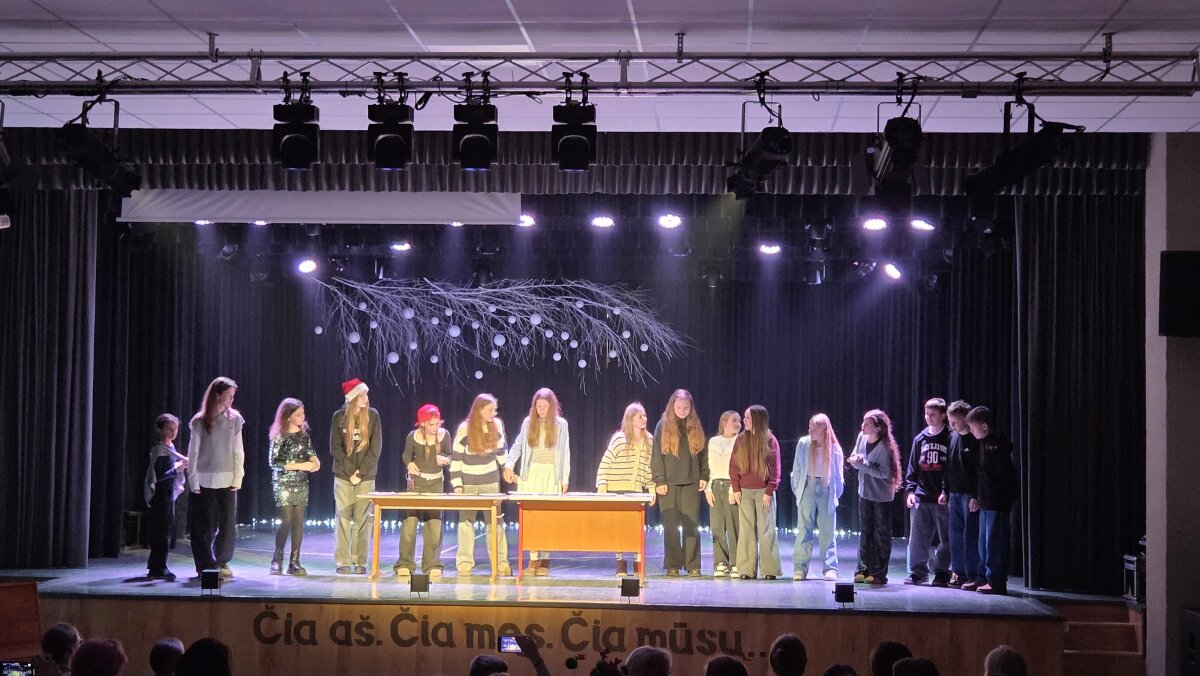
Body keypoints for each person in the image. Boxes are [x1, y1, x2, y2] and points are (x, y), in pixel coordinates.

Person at [504, 387, 571, 576]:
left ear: (552, 407)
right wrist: (509, 465)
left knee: (547, 518)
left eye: (545, 406)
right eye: (538, 406)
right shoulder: (528, 423)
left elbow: (565, 452)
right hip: (532, 473)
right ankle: (533, 560)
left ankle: (545, 560)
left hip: (551, 474)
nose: (541, 410)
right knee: (531, 518)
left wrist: (565, 478)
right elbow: (517, 446)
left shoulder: (561, 425)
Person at [186, 376, 244, 577]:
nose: (231, 399)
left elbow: (238, 451)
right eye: (228, 395)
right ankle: (204, 565)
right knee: (204, 525)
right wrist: (193, 479)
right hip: (204, 479)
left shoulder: (235, 419)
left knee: (227, 524)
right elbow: (193, 452)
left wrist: (238, 476)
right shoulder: (200, 421)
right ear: (217, 395)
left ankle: (221, 561)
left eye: (233, 396)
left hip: (227, 479)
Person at [451, 393, 511, 576]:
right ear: (479, 410)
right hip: (468, 482)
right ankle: (464, 562)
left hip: (490, 481)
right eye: (490, 410)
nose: (494, 413)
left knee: (495, 521)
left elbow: (501, 452)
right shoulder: (465, 428)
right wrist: (457, 483)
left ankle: (500, 562)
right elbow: (457, 458)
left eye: (495, 410)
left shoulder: (497, 424)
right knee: (466, 522)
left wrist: (507, 469)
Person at [651, 388, 709, 576]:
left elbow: (703, 454)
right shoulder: (663, 425)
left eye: (686, 408)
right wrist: (659, 479)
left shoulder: (696, 426)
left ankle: (693, 564)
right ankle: (673, 564)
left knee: (692, 524)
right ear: (672, 406)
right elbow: (656, 455)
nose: (682, 411)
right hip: (669, 483)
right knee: (671, 525)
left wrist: (704, 476)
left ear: (691, 408)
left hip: (691, 481)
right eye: (679, 407)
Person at [596, 402, 656, 576]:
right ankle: (620, 563)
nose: (644, 419)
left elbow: (648, 467)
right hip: (616, 490)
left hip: (635, 491)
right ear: (631, 420)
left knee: (635, 529)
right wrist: (602, 485)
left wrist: (651, 488)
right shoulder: (619, 439)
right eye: (640, 416)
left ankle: (638, 562)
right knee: (619, 528)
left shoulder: (649, 440)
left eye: (645, 415)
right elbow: (605, 462)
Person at [963, 406, 1018, 595]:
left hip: (997, 502)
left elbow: (1005, 475)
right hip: (986, 501)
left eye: (973, 427)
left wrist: (1004, 498)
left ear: (985, 427)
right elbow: (980, 475)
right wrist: (977, 496)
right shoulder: (982, 444)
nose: (971, 431)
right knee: (983, 543)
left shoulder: (996, 445)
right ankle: (983, 577)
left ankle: (996, 581)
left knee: (995, 543)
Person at [330, 378, 382, 575]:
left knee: (363, 519)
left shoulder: (373, 415)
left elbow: (375, 448)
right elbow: (335, 448)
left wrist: (360, 472)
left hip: (365, 476)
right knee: (343, 517)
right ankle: (343, 561)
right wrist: (350, 471)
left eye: (366, 394)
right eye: (361, 395)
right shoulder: (339, 417)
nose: (365, 398)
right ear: (351, 398)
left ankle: (360, 560)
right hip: (344, 476)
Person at [395, 403, 452, 578]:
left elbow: (450, 455)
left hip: (436, 484)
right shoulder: (413, 437)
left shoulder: (444, 435)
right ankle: (405, 563)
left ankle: (432, 564)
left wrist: (446, 460)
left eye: (437, 423)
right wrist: (409, 464)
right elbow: (406, 455)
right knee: (410, 524)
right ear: (423, 424)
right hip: (417, 483)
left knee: (434, 525)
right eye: (431, 424)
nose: (435, 427)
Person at [847, 409, 902, 585]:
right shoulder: (862, 438)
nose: (862, 426)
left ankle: (879, 573)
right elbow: (856, 457)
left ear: (878, 428)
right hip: (865, 492)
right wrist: (855, 460)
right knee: (866, 532)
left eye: (867, 423)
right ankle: (863, 569)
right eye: (863, 422)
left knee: (881, 533)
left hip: (881, 496)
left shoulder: (884, 447)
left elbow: (884, 473)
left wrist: (863, 465)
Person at [267, 397, 320, 576]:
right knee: (286, 519)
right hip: (283, 482)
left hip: (301, 482)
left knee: (298, 520)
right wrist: (301, 465)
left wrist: (315, 461)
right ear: (288, 416)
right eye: (298, 414)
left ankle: (294, 562)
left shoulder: (303, 435)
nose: (302, 417)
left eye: (303, 414)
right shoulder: (279, 436)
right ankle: (277, 559)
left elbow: (310, 453)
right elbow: (274, 463)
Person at [903, 398, 952, 587]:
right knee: (918, 538)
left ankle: (942, 572)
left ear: (943, 415)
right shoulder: (920, 439)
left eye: (933, 414)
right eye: (926, 413)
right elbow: (912, 467)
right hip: (922, 495)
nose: (928, 417)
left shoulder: (949, 437)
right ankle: (918, 572)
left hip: (942, 497)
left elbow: (952, 468)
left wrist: (947, 491)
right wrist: (910, 491)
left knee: (946, 537)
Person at [730, 405, 782, 580]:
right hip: (744, 491)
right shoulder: (741, 439)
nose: (744, 421)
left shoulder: (769, 440)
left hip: (763, 492)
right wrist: (736, 488)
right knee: (746, 530)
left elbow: (775, 468)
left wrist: (770, 490)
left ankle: (769, 570)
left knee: (766, 530)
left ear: (758, 420)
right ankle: (746, 569)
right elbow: (733, 465)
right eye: (744, 417)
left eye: (748, 418)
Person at [791, 412, 845, 581]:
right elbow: (797, 469)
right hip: (808, 485)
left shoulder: (834, 448)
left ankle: (830, 567)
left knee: (827, 530)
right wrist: (798, 490)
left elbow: (838, 477)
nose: (811, 431)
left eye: (814, 429)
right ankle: (800, 567)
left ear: (824, 430)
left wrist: (835, 495)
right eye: (810, 428)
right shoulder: (804, 444)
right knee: (804, 529)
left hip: (826, 488)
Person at [942, 399, 981, 588]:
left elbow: (979, 471)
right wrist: (945, 491)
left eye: (955, 421)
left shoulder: (975, 440)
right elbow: (948, 466)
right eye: (950, 421)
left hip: (968, 495)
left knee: (970, 535)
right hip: (954, 494)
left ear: (966, 419)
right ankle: (958, 572)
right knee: (955, 535)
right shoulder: (952, 437)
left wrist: (976, 495)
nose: (952, 425)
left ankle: (972, 574)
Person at [144, 414, 187, 581]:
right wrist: (176, 469)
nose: (173, 431)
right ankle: (158, 567)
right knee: (161, 532)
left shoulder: (171, 448)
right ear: (160, 429)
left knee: (166, 530)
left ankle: (156, 565)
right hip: (160, 496)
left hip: (168, 495)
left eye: (175, 428)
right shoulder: (160, 450)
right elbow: (157, 477)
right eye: (169, 428)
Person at [706, 410, 741, 578]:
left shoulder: (740, 441)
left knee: (734, 527)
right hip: (715, 486)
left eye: (739, 421)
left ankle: (736, 563)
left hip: (731, 486)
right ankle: (721, 562)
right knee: (717, 526)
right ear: (724, 423)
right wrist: (708, 489)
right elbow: (709, 466)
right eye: (734, 420)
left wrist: (734, 488)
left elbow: (739, 466)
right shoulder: (713, 441)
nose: (738, 424)